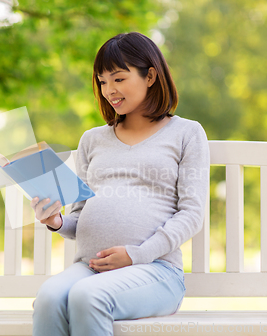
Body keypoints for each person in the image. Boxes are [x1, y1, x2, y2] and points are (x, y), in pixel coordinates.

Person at [29, 31, 210, 336]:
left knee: (89, 296)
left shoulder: (186, 133)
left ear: (150, 76)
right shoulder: (92, 139)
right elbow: (80, 215)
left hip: (155, 270)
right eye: (102, 81)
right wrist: (57, 221)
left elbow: (192, 214)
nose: (109, 90)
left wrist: (135, 255)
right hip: (89, 267)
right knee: (48, 298)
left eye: (118, 78)